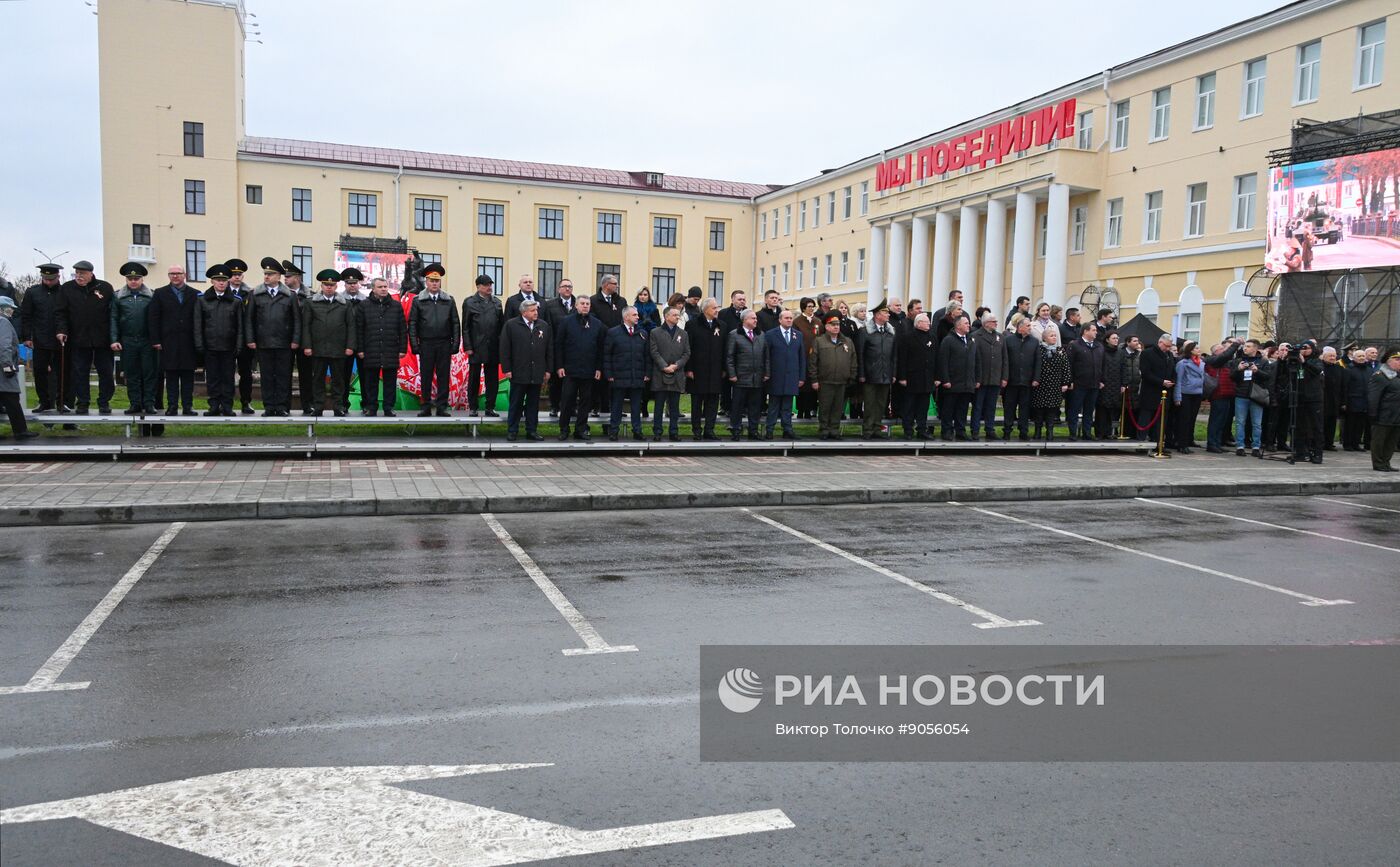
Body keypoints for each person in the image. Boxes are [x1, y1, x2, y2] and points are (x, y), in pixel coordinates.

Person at [55, 261, 116, 415]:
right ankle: (82, 402)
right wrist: (61, 330)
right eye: (77, 273)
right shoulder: (67, 288)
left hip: (102, 338)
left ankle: (104, 402)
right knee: (80, 372)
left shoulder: (105, 288)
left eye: (82, 273)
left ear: (91, 274)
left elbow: (113, 313)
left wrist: (114, 336)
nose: (79, 276)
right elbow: (61, 312)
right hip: (79, 338)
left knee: (106, 372)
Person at [244, 257, 300, 416]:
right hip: (263, 342)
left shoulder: (290, 295)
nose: (266, 277)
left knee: (283, 376)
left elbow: (297, 319)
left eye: (271, 274)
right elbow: (249, 319)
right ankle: (269, 406)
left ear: (279, 276)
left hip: (284, 343)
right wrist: (250, 339)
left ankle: (282, 406)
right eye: (265, 274)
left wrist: (296, 340)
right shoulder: (255, 294)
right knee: (267, 377)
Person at [300, 269, 358, 416]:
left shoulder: (345, 304)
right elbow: (306, 325)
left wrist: (350, 346)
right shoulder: (311, 302)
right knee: (318, 380)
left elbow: (351, 326)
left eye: (332, 285)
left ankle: (338, 407)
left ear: (336, 286)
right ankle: (318, 407)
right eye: (326, 284)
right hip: (318, 348)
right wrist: (307, 346)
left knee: (338, 381)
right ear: (322, 285)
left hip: (338, 349)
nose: (329, 287)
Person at [149, 263, 199, 415]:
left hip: (188, 342)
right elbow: (154, 318)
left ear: (185, 275)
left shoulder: (195, 294)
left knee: (188, 377)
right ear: (168, 276)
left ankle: (188, 406)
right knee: (170, 377)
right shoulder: (160, 293)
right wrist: (156, 340)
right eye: (172, 274)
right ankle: (172, 406)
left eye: (178, 273)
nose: (175, 276)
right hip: (168, 342)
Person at [408, 263, 458, 417]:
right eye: (431, 280)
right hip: (426, 343)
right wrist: (414, 344)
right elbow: (412, 323)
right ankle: (425, 406)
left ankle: (442, 406)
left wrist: (455, 344)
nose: (434, 283)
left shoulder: (449, 300)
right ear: (426, 282)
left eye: (437, 281)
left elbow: (455, 323)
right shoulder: (418, 300)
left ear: (440, 282)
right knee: (426, 376)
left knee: (444, 376)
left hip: (444, 343)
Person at [194, 263, 243, 417]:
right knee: (213, 378)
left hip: (229, 347)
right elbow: (197, 324)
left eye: (224, 280)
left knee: (228, 378)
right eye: (217, 280)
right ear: (212, 282)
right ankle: (214, 406)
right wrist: (199, 344)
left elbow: (240, 326)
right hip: (210, 346)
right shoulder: (202, 300)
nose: (221, 283)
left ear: (228, 281)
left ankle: (227, 406)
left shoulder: (235, 301)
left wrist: (239, 345)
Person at [500, 298, 552, 442]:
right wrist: (507, 368)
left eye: (536, 310)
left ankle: (532, 431)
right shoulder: (511, 325)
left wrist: (548, 369)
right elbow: (505, 348)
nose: (536, 312)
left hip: (537, 372)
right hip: (518, 371)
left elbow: (549, 349)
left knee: (533, 404)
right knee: (516, 403)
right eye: (533, 310)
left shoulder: (543, 325)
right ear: (524, 312)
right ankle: (512, 430)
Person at [553, 294, 604, 441]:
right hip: (570, 369)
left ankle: (581, 430)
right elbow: (559, 345)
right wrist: (560, 366)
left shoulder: (596, 324)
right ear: (576, 305)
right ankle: (564, 429)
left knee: (585, 402)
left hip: (589, 370)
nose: (585, 306)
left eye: (587, 304)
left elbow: (600, 348)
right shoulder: (566, 322)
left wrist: (598, 368)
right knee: (567, 400)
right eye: (582, 303)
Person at [109, 262, 157, 416]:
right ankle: (135, 403)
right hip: (128, 341)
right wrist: (114, 339)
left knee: (149, 374)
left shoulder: (151, 295)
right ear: (126, 280)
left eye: (137, 278)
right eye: (130, 278)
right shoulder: (118, 296)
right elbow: (114, 319)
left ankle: (149, 403)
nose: (133, 281)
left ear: (142, 279)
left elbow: (156, 318)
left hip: (147, 341)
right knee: (132, 374)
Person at [19, 263, 68, 412]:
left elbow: (67, 315)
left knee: (62, 373)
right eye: (45, 278)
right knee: (40, 372)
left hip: (61, 340)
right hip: (40, 340)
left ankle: (62, 402)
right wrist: (27, 337)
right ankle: (43, 401)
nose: (48, 281)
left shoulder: (65, 292)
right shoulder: (32, 292)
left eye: (51, 279)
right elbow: (26, 316)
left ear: (58, 277)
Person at [357, 277, 406, 417]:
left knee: (390, 382)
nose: (384, 289)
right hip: (370, 349)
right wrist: (360, 349)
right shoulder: (364, 305)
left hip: (390, 349)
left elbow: (402, 329)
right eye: (380, 287)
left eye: (385, 286)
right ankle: (371, 407)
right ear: (373, 289)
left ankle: (388, 407)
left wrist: (402, 349)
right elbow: (359, 329)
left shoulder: (396, 306)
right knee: (371, 381)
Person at [809, 312, 857, 440]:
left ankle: (834, 430)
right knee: (825, 407)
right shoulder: (819, 341)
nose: (836, 327)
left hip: (842, 381)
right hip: (825, 381)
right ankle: (824, 430)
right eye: (833, 324)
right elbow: (813, 362)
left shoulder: (847, 341)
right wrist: (814, 379)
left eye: (838, 324)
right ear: (826, 326)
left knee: (838, 408)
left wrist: (852, 376)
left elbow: (853, 361)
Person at [685, 298, 728, 440]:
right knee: (697, 402)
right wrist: (689, 368)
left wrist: (724, 368)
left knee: (713, 402)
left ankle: (709, 430)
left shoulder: (722, 325)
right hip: (698, 371)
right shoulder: (692, 325)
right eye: (714, 308)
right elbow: (688, 348)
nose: (717, 310)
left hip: (715, 371)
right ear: (705, 309)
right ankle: (696, 430)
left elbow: (724, 349)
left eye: (717, 307)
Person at [603, 306, 648, 441]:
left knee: (636, 406)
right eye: (634, 315)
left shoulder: (643, 334)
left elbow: (647, 356)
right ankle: (614, 431)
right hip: (619, 375)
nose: (638, 317)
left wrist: (647, 373)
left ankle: (637, 431)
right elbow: (607, 355)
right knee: (616, 405)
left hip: (637, 375)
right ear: (626, 317)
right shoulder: (613, 333)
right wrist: (609, 373)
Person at [461, 274, 503, 417]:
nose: (489, 287)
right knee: (474, 378)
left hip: (493, 346)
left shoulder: (497, 303)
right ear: (478, 286)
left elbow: (501, 326)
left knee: (492, 379)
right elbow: (465, 327)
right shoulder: (469, 302)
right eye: (486, 285)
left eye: (490, 284)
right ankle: (473, 407)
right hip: (476, 347)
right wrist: (468, 346)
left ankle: (490, 407)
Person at [649, 305, 690, 441]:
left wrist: (676, 365)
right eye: (674, 315)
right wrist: (664, 366)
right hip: (660, 374)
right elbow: (654, 352)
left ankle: (674, 432)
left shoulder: (683, 334)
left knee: (674, 406)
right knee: (659, 406)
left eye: (678, 315)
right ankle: (657, 432)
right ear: (666, 316)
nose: (677, 317)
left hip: (677, 374)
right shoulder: (655, 332)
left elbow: (686, 353)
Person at [764, 309, 805, 440]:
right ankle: (769, 430)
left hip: (792, 376)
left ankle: (787, 430)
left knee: (787, 406)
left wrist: (801, 377)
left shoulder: (798, 335)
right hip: (776, 376)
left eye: (790, 318)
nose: (789, 320)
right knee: (773, 406)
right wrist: (767, 373)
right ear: (780, 320)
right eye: (786, 318)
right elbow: (766, 357)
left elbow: (801, 357)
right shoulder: (770, 334)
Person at [0, 297, 37, 439]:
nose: (12, 311)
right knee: (12, 398)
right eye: (10, 308)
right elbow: (4, 346)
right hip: (3, 369)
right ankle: (20, 431)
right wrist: (7, 366)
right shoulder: (3, 322)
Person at [859, 301, 897, 440]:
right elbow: (861, 354)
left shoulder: (890, 333)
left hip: (885, 374)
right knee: (869, 403)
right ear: (877, 315)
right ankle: (867, 430)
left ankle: (877, 428)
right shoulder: (865, 332)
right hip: (870, 374)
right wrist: (862, 374)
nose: (888, 315)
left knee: (881, 403)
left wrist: (893, 373)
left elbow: (894, 356)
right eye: (885, 312)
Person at [935, 313, 976, 441]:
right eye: (966, 323)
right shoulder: (948, 340)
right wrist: (945, 379)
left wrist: (976, 379)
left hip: (967, 383)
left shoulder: (970, 340)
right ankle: (946, 431)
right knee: (948, 409)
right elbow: (943, 361)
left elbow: (976, 361)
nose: (969, 325)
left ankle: (960, 431)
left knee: (962, 409)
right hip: (952, 382)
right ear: (958, 326)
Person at [725, 310, 766, 441]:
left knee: (755, 406)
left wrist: (767, 372)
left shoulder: (760, 335)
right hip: (741, 377)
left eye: (756, 318)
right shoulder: (734, 334)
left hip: (757, 377)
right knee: (737, 406)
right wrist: (732, 374)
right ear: (744, 320)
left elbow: (766, 356)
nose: (756, 320)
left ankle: (753, 431)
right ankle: (735, 429)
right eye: (753, 318)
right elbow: (729, 357)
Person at [284, 260, 317, 415]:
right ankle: (285, 405)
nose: (285, 279)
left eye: (288, 276)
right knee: (285, 374)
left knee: (306, 375)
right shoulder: (282, 294)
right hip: (286, 340)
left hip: (305, 341)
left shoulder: (311, 296)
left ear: (297, 277)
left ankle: (307, 404)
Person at [896, 313, 937, 439]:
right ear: (918, 323)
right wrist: (902, 377)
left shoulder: (932, 337)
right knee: (909, 406)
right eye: (926, 322)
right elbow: (902, 359)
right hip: (912, 377)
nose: (929, 324)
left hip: (927, 378)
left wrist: (937, 377)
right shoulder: (907, 337)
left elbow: (936, 358)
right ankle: (908, 430)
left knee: (923, 407)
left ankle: (921, 429)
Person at [541, 277, 577, 418]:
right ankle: (555, 406)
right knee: (556, 381)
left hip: (574, 350)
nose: (567, 288)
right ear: (558, 289)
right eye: (564, 286)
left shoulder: (577, 304)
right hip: (556, 348)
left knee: (573, 381)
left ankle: (571, 407)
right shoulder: (550, 305)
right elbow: (547, 326)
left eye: (570, 286)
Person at [591, 275, 626, 422]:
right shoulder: (593, 300)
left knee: (616, 376)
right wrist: (609, 331)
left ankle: (615, 407)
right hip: (600, 342)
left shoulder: (621, 301)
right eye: (614, 283)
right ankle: (596, 407)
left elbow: (624, 318)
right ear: (605, 285)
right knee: (599, 377)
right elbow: (594, 320)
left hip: (617, 343)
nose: (617, 286)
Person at [1230, 339, 1273, 457]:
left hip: (1256, 396)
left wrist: (1257, 371)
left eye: (1248, 346)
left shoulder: (1264, 361)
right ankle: (1240, 446)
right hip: (1241, 395)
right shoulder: (1238, 361)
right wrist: (1238, 370)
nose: (1245, 348)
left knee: (1257, 423)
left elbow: (1268, 377)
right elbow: (1232, 377)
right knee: (1240, 422)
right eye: (1244, 346)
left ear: (1255, 349)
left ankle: (1256, 446)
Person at [226, 259, 257, 414]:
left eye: (239, 274)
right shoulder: (223, 292)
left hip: (245, 340)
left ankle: (246, 402)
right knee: (227, 373)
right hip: (228, 339)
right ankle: (227, 402)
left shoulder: (250, 294)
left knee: (246, 373)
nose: (237, 277)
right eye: (233, 274)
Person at [1065, 322, 1105, 440]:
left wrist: (1102, 380)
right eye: (1093, 330)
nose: (1096, 332)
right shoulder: (1075, 345)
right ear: (1085, 331)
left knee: (1089, 410)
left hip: (1094, 383)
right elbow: (1069, 364)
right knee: (1074, 409)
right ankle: (1072, 433)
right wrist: (1070, 381)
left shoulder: (1099, 346)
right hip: (1079, 384)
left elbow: (1102, 365)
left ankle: (1086, 433)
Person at [1001, 315, 1038, 441]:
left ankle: (1023, 431)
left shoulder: (1034, 341)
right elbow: (1005, 360)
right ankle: (1007, 430)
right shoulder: (1008, 340)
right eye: (1028, 326)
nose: (1030, 328)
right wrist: (1004, 377)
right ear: (1019, 327)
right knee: (1009, 407)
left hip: (1027, 381)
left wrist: (1036, 378)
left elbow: (1037, 362)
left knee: (1025, 408)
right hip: (1011, 380)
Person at [1031, 328, 1070, 440]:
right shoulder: (1038, 350)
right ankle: (1037, 431)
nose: (1054, 337)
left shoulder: (1060, 351)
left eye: (1055, 335)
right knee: (1039, 410)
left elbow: (1066, 368)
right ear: (1044, 338)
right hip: (1041, 384)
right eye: (1051, 335)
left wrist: (1065, 383)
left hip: (1055, 385)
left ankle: (1050, 432)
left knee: (1052, 410)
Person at [337, 267, 367, 414]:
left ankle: (366, 403)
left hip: (362, 344)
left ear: (359, 283)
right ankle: (343, 403)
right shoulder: (339, 301)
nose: (352, 285)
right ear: (344, 284)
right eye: (349, 283)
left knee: (365, 376)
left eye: (354, 282)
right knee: (343, 376)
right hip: (344, 344)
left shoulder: (366, 301)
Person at [970, 312, 1004, 440]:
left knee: (991, 406)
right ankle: (975, 430)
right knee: (978, 406)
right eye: (993, 321)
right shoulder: (975, 336)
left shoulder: (1000, 337)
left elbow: (1004, 358)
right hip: (981, 379)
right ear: (985, 323)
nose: (996, 323)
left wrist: (1003, 376)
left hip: (995, 377)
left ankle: (990, 429)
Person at [1137, 334, 1176, 446]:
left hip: (1165, 393)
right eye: (1166, 346)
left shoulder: (1169, 355)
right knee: (1145, 418)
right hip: (1150, 392)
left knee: (1161, 420)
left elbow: (1173, 370)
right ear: (1160, 342)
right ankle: (1141, 443)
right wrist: (1161, 382)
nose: (1168, 349)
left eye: (1170, 346)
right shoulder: (1147, 353)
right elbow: (1146, 373)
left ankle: (1158, 443)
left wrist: (1172, 381)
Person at [1291, 340, 1325, 464]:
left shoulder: (1316, 361)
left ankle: (1317, 453)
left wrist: (1304, 362)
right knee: (1299, 426)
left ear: (1312, 349)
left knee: (1316, 427)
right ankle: (1300, 452)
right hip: (1299, 397)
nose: (1304, 350)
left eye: (1307, 348)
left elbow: (1316, 370)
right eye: (1302, 348)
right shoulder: (1296, 361)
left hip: (1314, 398)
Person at [1202, 339, 1240, 452]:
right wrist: (1235, 345)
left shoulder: (1225, 362)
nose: (1225, 351)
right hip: (1218, 394)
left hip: (1227, 394)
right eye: (1222, 349)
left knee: (1222, 421)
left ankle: (1217, 443)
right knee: (1216, 420)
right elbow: (1224, 356)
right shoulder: (1213, 360)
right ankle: (1212, 443)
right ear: (1216, 351)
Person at [1367, 347, 1400, 472]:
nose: (1399, 362)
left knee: (1391, 442)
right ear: (1388, 361)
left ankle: (1386, 462)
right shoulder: (1380, 376)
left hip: (1396, 416)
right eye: (1397, 359)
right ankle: (1378, 463)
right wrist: (1373, 415)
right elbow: (1373, 397)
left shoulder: (1397, 377)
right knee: (1379, 442)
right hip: (1383, 416)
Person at [1172, 341, 1206, 454]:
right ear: (1191, 350)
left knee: (1192, 420)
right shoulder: (1183, 363)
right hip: (1185, 394)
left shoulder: (1201, 363)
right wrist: (1177, 397)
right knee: (1184, 420)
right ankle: (1181, 444)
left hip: (1197, 394)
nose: (1199, 350)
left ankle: (1187, 442)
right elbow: (1179, 381)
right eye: (1196, 348)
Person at [793, 297, 819, 419]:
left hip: (815, 357)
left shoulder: (818, 322)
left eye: (813, 306)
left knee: (812, 384)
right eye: (809, 306)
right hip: (802, 357)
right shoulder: (797, 322)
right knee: (802, 384)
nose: (811, 308)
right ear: (803, 307)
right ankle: (801, 410)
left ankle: (810, 410)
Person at [1342, 349, 1372, 452]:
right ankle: (1348, 444)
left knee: (1360, 424)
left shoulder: (1369, 370)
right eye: (1359, 356)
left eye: (1363, 356)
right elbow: (1345, 387)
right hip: (1352, 400)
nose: (1362, 358)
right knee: (1350, 423)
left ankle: (1356, 443)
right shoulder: (1349, 369)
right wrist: (1344, 402)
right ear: (1354, 358)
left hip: (1364, 401)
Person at [1321, 346, 1345, 450]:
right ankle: (1320, 443)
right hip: (1323, 400)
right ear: (1324, 356)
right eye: (1330, 356)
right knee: (1322, 423)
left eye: (1334, 356)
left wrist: (1343, 401)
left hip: (1335, 400)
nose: (1332, 358)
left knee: (1332, 423)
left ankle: (1329, 443)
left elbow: (1343, 386)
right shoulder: (1320, 367)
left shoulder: (1339, 369)